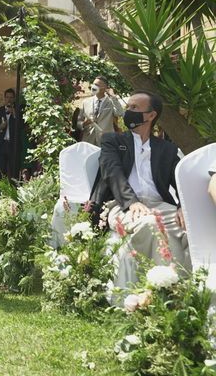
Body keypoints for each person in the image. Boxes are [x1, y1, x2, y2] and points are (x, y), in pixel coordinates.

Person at [90, 91, 190, 286]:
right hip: (121, 204)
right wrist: (131, 202)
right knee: (151, 223)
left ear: (151, 115)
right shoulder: (113, 141)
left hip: (159, 205)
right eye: (128, 107)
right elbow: (112, 172)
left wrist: (182, 207)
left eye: (134, 108)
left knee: (190, 227)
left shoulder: (166, 149)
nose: (128, 111)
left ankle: (186, 289)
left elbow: (179, 179)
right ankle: (162, 288)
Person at [77, 76, 124, 147]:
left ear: (105, 88)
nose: (93, 86)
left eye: (97, 85)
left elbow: (120, 113)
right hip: (88, 141)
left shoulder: (111, 102)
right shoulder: (85, 102)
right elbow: (78, 122)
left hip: (106, 141)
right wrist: (84, 124)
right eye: (93, 84)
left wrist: (113, 97)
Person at [0, 88, 19, 180]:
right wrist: (0, 127)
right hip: (2, 144)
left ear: (14, 99)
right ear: (4, 98)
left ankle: (13, 191)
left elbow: (21, 126)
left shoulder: (18, 111)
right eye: (7, 97)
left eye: (11, 97)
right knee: (0, 169)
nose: (9, 99)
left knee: (13, 169)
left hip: (13, 145)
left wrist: (14, 114)